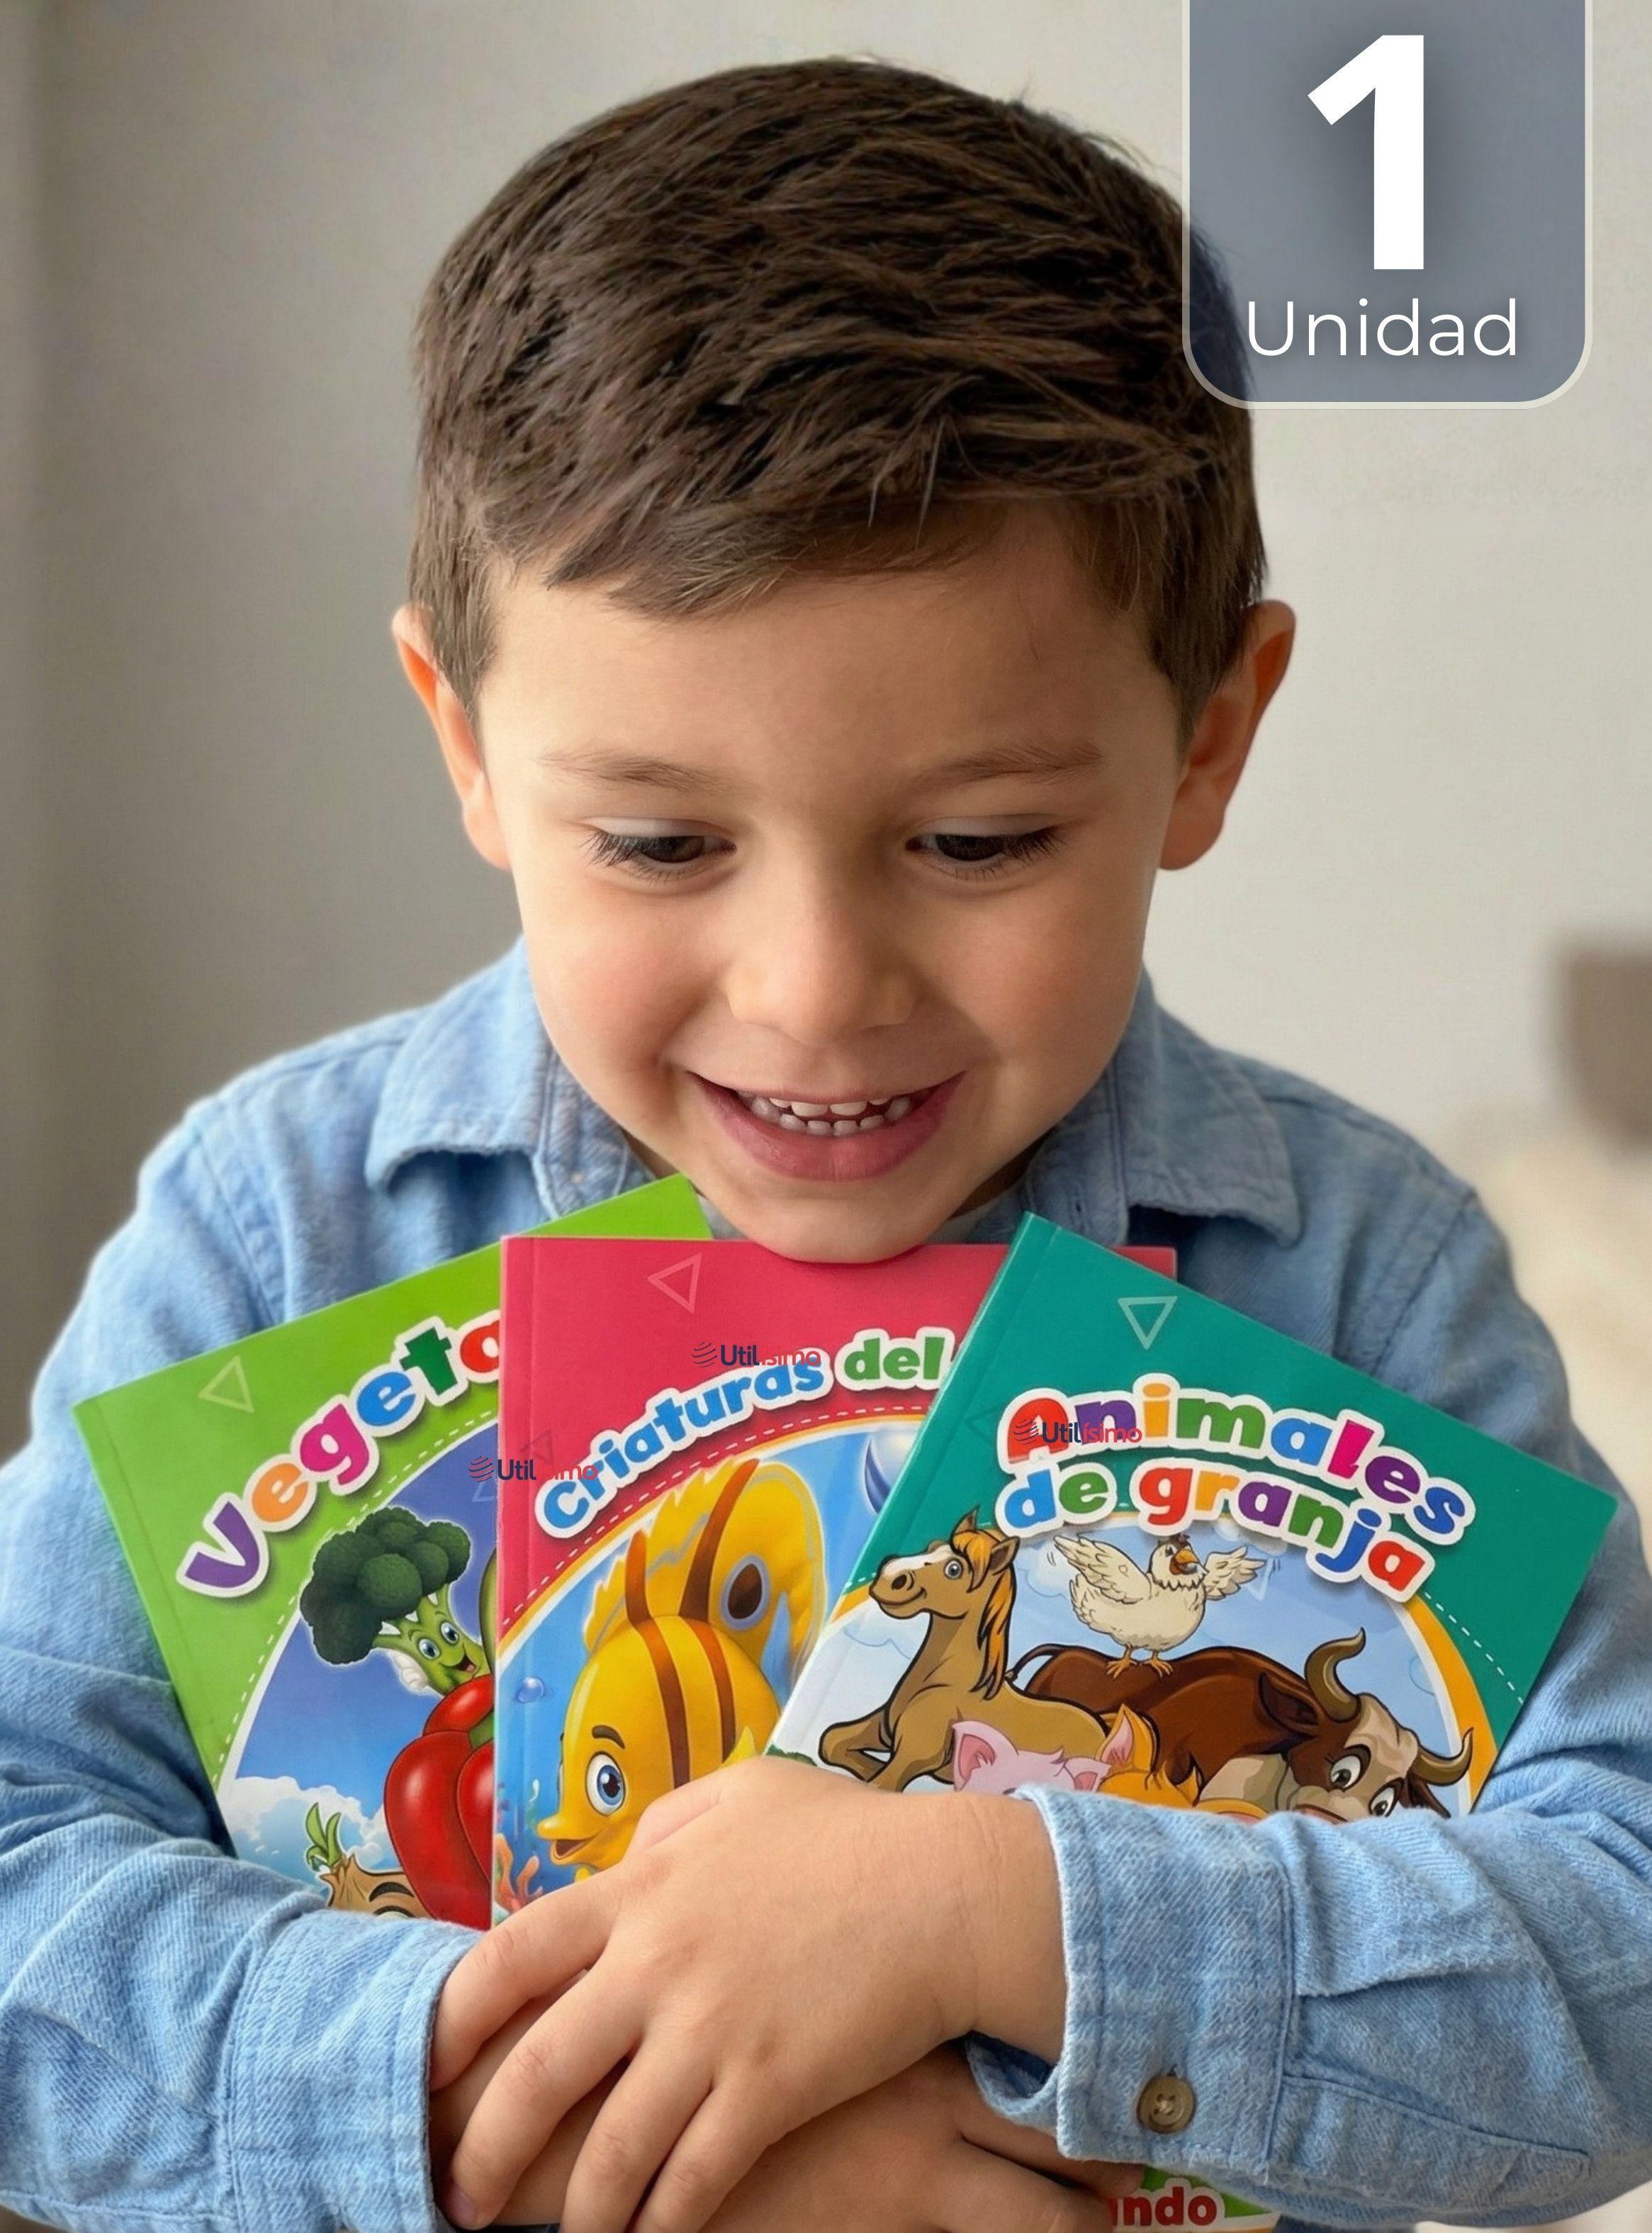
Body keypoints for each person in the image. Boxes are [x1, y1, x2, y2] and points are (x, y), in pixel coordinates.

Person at [1, 51, 1648, 2233]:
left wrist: (993, 1911)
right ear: (465, 746)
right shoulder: (274, 1225)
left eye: (975, 841)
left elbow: (1621, 1946)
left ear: (1209, 738)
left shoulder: (1357, 1269)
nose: (811, 990)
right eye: (659, 841)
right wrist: (565, 2107)